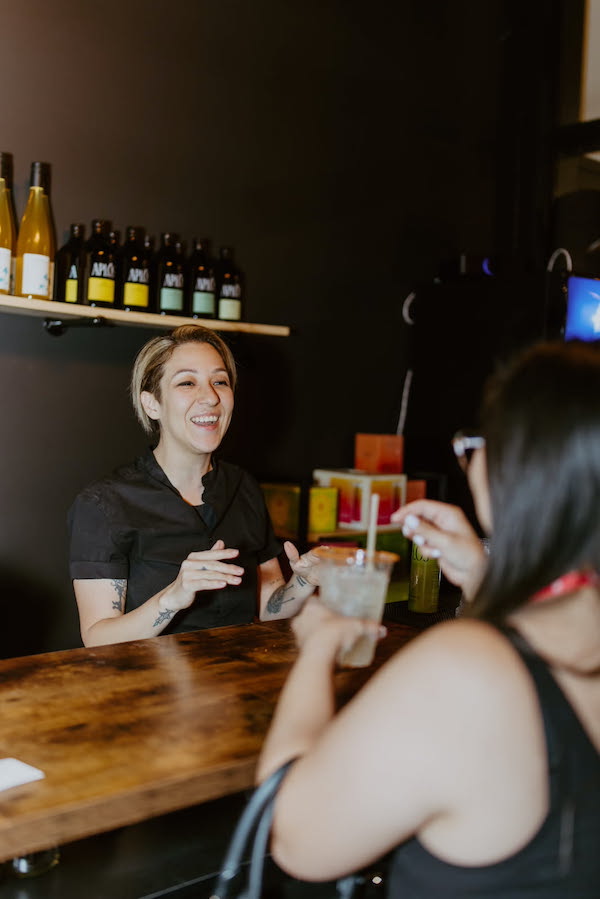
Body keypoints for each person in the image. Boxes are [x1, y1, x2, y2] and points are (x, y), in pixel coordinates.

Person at [257, 340, 600, 896]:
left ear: (520, 467)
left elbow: (294, 838)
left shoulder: (467, 668)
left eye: (479, 441)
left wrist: (317, 647)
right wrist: (485, 574)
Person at [68, 324, 318, 647]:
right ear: (151, 404)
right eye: (187, 382)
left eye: (220, 381)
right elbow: (97, 638)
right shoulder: (104, 504)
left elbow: (269, 607)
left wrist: (304, 581)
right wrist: (171, 598)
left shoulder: (244, 488)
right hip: (148, 690)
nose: (211, 397)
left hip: (237, 686)